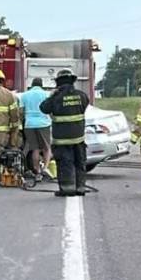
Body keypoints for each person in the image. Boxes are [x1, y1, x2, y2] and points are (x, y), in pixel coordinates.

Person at [39, 68, 90, 196]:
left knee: (64, 163)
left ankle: (67, 189)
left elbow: (43, 108)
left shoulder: (56, 97)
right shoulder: (82, 95)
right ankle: (80, 188)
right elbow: (85, 105)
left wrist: (52, 95)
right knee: (80, 162)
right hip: (79, 138)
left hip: (62, 139)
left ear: (58, 82)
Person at [20, 77, 53, 181]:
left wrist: (24, 119)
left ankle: (37, 172)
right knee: (46, 148)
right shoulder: (46, 95)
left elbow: (21, 111)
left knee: (35, 149)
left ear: (32, 85)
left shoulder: (24, 95)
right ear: (41, 84)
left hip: (29, 124)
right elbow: (50, 110)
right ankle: (45, 168)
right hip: (44, 123)